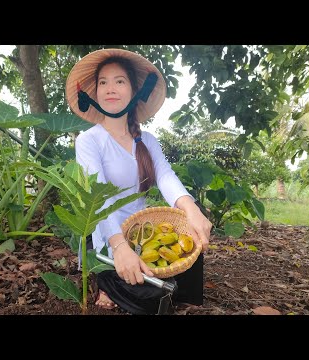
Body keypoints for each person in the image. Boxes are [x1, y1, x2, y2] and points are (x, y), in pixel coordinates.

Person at [65, 48, 212, 314]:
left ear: (134, 91)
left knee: (192, 215)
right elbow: (98, 197)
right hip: (106, 237)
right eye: (103, 82)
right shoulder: (89, 140)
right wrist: (119, 246)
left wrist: (192, 210)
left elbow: (166, 176)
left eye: (119, 81)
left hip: (141, 232)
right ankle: (107, 283)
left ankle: (153, 284)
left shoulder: (147, 140)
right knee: (153, 298)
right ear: (95, 93)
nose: (110, 88)